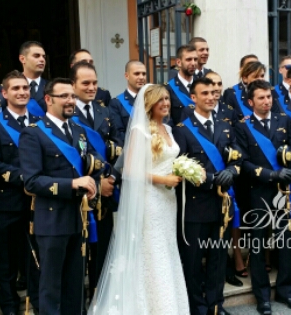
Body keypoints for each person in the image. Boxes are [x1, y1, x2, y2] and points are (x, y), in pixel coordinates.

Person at [89, 84, 190, 314]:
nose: (165, 103)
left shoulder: (169, 129)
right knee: (151, 250)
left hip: (168, 201)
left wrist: (186, 170)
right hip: (149, 200)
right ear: (149, 104)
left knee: (165, 248)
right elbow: (130, 172)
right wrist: (163, 180)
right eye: (160, 100)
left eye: (167, 98)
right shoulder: (139, 131)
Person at [19, 78, 100, 314]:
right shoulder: (33, 133)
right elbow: (32, 181)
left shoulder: (77, 131)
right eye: (64, 96)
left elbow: (91, 161)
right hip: (52, 220)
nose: (70, 101)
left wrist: (96, 176)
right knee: (51, 287)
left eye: (72, 96)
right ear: (48, 99)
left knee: (75, 286)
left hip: (78, 218)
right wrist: (73, 184)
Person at [234, 80, 291, 315]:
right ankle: (262, 296)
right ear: (251, 102)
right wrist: (270, 174)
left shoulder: (284, 120)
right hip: (258, 191)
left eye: (269, 97)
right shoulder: (243, 126)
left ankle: (286, 291)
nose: (267, 101)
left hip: (285, 192)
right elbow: (242, 162)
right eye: (261, 98)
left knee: (286, 243)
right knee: (257, 244)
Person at [174, 77, 242, 315]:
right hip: (196, 206)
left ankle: (216, 305)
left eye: (214, 93)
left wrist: (233, 170)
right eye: (205, 93)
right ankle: (197, 306)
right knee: (193, 261)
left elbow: (237, 156)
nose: (211, 97)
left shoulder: (225, 125)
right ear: (193, 98)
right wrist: (213, 179)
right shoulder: (181, 130)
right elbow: (179, 167)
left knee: (218, 259)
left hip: (222, 204)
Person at [0, 70, 41, 314]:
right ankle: (9, 306)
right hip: (6, 201)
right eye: (16, 89)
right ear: (4, 93)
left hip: (36, 202)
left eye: (25, 88)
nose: (22, 92)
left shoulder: (40, 122)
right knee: (5, 259)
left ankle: (36, 302)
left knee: (35, 257)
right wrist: (25, 178)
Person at [70, 61, 123, 301]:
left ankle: (100, 296)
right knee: (80, 252)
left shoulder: (106, 110)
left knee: (102, 249)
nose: (92, 88)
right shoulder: (68, 112)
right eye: (85, 83)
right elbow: (69, 155)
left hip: (107, 190)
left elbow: (120, 146)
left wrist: (111, 177)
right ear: (73, 85)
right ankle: (80, 300)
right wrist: (95, 181)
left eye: (94, 83)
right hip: (80, 193)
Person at [109, 60, 147, 140]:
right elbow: (118, 133)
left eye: (144, 74)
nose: (141, 77)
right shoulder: (117, 103)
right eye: (137, 74)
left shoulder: (152, 99)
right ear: (127, 76)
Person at [166, 45, 197, 125]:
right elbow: (167, 120)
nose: (193, 63)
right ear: (178, 62)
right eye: (189, 59)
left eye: (195, 59)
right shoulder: (168, 89)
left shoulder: (203, 85)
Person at [18, 41, 48, 117]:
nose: (42, 60)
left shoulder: (52, 87)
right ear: (22, 59)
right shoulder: (9, 88)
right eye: (36, 56)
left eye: (43, 57)